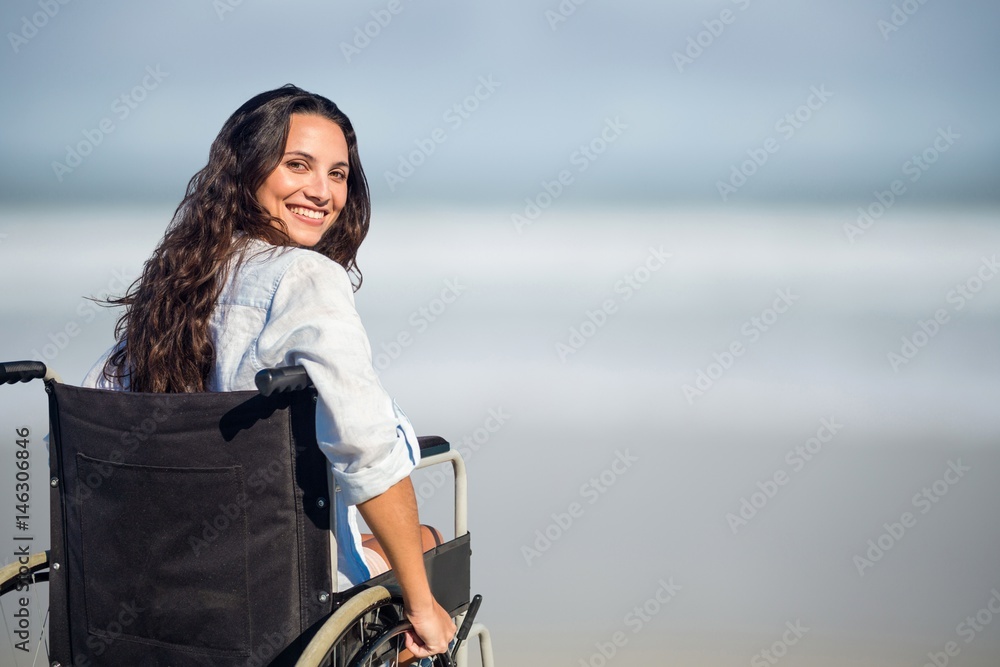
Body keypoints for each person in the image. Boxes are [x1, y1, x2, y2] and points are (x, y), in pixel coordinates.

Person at [82, 84, 456, 659]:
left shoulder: (178, 282)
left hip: (164, 578)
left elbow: (113, 416)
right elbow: (366, 449)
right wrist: (423, 606)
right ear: (246, 170)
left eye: (338, 174)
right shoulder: (305, 277)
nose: (322, 192)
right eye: (298, 165)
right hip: (277, 590)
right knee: (433, 549)